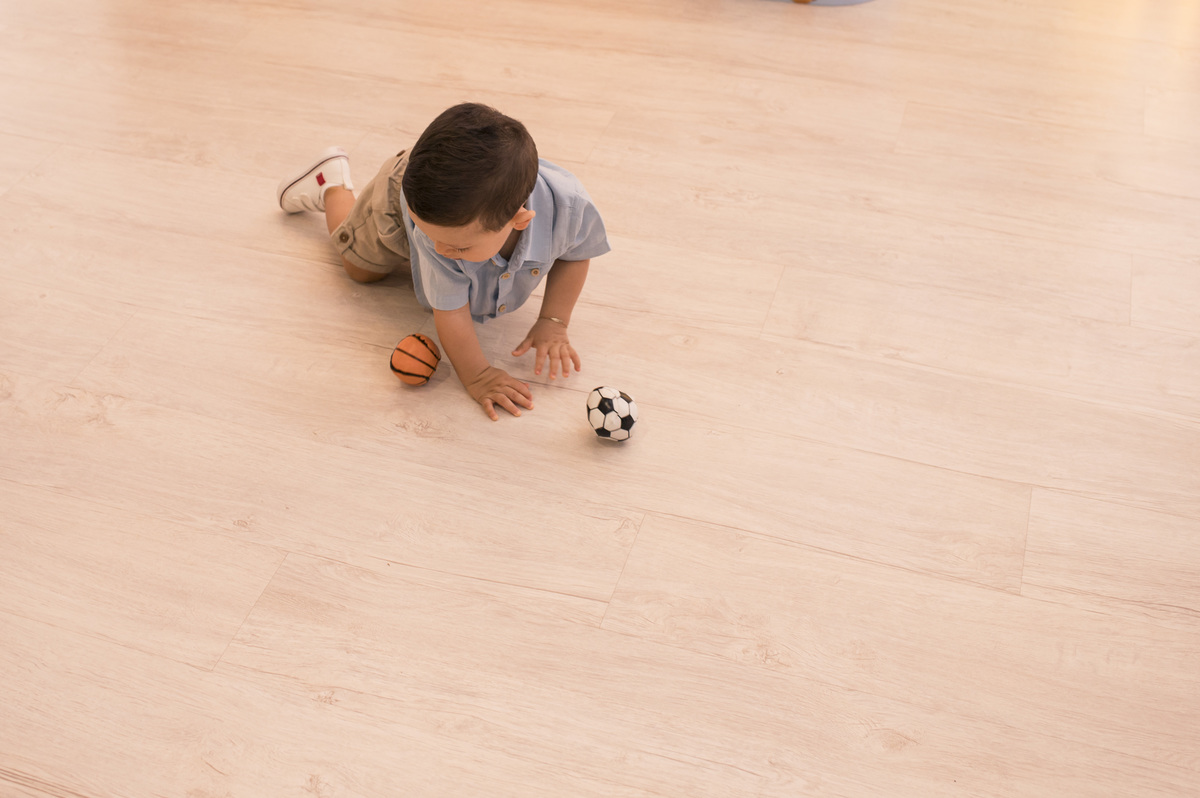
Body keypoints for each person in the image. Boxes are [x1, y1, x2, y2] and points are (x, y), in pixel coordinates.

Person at [276, 103, 610, 421]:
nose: (437, 248)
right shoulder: (441, 236)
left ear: (519, 220)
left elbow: (576, 254)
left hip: (449, 205)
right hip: (401, 200)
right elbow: (450, 312)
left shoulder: (568, 208)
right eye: (431, 238)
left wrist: (554, 320)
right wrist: (477, 375)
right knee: (359, 270)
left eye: (457, 247)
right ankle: (331, 185)